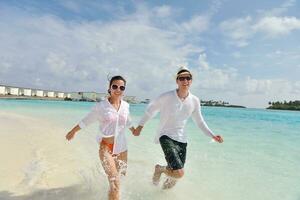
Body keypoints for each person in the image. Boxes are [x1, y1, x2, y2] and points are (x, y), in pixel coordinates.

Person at [133, 67, 223, 189]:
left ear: (191, 81)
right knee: (179, 173)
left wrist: (212, 135)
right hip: (165, 136)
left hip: (182, 140)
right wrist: (140, 126)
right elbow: (151, 110)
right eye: (182, 78)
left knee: (173, 179)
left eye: (188, 78)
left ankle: (159, 195)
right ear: (177, 81)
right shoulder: (167, 96)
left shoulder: (195, 100)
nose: (185, 81)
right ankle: (159, 169)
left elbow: (199, 121)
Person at [66, 75, 135, 200]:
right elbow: (87, 120)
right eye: (115, 86)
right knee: (115, 183)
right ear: (109, 88)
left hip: (122, 149)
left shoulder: (126, 106)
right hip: (106, 148)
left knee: (120, 181)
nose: (118, 89)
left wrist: (134, 130)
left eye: (121, 87)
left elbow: (127, 120)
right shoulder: (101, 106)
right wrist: (73, 131)